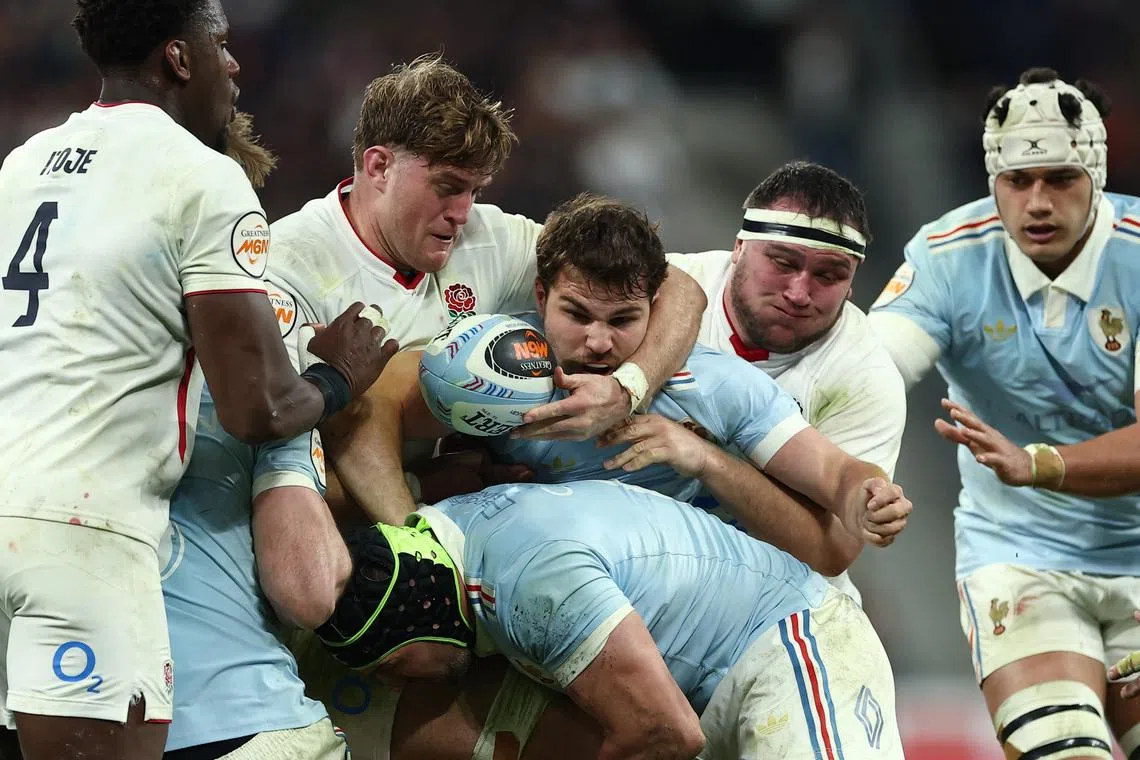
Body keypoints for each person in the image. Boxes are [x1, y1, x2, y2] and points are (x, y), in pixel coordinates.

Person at [0, 1, 394, 757]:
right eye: (220, 44)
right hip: (86, 536)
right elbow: (260, 409)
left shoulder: (24, 162)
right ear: (179, 59)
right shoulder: (201, 176)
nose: (234, 64)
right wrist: (340, 377)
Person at [264, 53, 707, 525]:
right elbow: (274, 474)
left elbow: (678, 288)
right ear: (378, 166)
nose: (462, 212)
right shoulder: (288, 269)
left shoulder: (489, 236)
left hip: (472, 501)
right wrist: (424, 489)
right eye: (447, 186)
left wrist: (628, 386)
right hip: (350, 529)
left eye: (475, 190)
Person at [869, 67, 1140, 760]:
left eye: (1059, 179)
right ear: (993, 180)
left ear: (1096, 176)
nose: (1037, 202)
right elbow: (870, 372)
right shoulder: (949, 257)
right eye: (1018, 182)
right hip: (1019, 557)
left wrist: (1039, 464)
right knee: (1061, 752)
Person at [316, 479, 906, 760]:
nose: (394, 682)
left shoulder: (526, 582)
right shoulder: (452, 531)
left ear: (419, 618)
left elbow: (663, 734)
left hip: (791, 646)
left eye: (391, 664)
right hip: (714, 684)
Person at [664, 160, 906, 599]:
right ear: (739, 247)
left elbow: (832, 550)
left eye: (828, 276)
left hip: (773, 589)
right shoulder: (661, 292)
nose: (798, 293)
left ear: (852, 283)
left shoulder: (865, 376)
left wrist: (708, 460)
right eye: (782, 261)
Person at [160, 380, 351, 760]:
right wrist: (323, 387)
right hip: (247, 720)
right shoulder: (262, 401)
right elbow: (307, 595)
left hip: (82, 726)